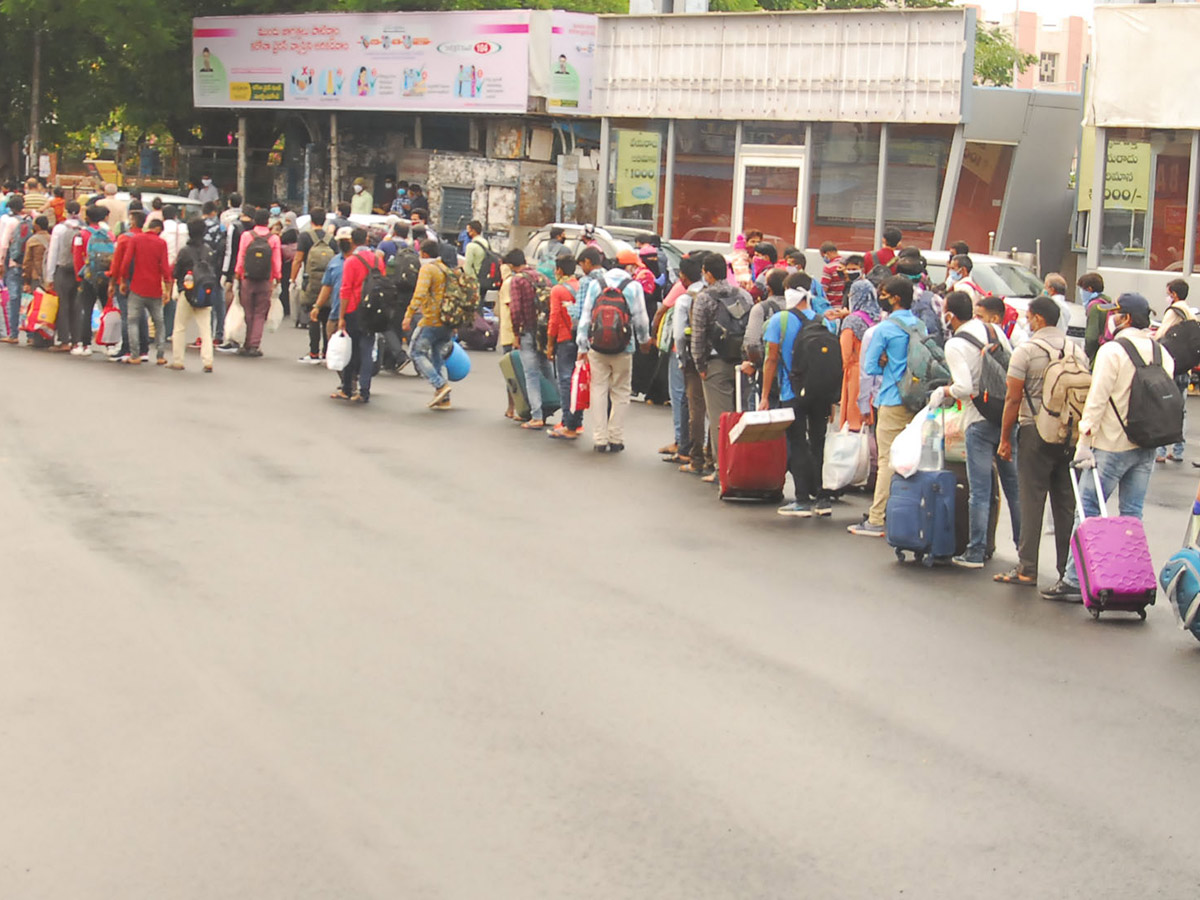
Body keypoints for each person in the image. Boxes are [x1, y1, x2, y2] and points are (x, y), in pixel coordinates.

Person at [1047, 293, 1175, 602]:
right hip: (1146, 444)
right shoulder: (1162, 352)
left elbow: (1097, 399)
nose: (1111, 318)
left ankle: (1075, 580)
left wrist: (1085, 441)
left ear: (1126, 318)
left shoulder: (1112, 351)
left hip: (1110, 444)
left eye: (1116, 314)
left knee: (1089, 511)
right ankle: (1129, 580)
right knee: (1132, 515)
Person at [994, 296, 1083, 587]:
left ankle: (1027, 567)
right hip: (1069, 433)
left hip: (1034, 431)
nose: (1027, 322)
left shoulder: (1027, 351)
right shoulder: (1076, 350)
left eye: (1029, 317)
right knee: (1065, 502)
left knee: (1032, 499)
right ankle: (1066, 571)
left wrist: (1005, 438)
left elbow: (1013, 397)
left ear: (1039, 319)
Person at [935, 290, 1019, 569]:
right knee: (1013, 488)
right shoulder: (993, 329)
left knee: (980, 491)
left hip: (978, 420)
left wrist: (943, 390)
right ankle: (1024, 550)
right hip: (1006, 416)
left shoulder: (955, 345)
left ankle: (975, 550)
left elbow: (964, 388)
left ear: (950, 315)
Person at [848, 276, 925, 537]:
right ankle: (906, 512)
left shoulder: (884, 329)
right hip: (916, 399)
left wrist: (883, 361)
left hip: (891, 398)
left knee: (887, 460)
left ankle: (877, 517)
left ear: (894, 298)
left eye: (884, 293)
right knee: (913, 459)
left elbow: (869, 368)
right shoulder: (920, 325)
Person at [760, 273, 835, 516]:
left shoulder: (780, 320)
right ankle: (822, 498)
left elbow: (771, 360)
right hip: (820, 392)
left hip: (791, 390)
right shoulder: (825, 321)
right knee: (818, 440)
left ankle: (802, 498)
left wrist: (764, 396)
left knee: (797, 442)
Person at [575, 247, 652, 453]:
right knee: (621, 391)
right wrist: (645, 341)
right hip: (624, 346)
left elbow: (586, 317)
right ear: (628, 266)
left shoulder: (595, 284)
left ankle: (600, 438)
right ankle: (616, 437)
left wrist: (582, 345)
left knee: (598, 388)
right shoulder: (633, 286)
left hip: (597, 346)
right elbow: (641, 319)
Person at [504, 249, 555, 429]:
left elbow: (515, 310)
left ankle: (537, 415)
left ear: (511, 265)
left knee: (531, 374)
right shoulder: (542, 277)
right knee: (548, 368)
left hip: (528, 330)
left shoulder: (517, 280)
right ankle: (561, 406)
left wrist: (516, 334)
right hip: (544, 330)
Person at [403, 238, 454, 409]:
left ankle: (439, 385)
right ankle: (444, 399)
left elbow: (419, 294)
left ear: (424, 254)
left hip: (431, 319)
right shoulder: (446, 269)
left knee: (415, 352)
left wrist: (408, 314)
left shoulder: (428, 269)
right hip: (447, 321)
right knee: (437, 355)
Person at [331, 227, 380, 403]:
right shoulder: (377, 260)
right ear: (366, 240)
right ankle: (364, 390)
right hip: (372, 310)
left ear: (352, 241)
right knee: (367, 349)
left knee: (351, 350)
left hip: (354, 308)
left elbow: (345, 289)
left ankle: (347, 388)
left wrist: (341, 316)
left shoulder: (351, 261)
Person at [117, 207, 172, 366]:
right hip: (155, 289)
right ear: (158, 230)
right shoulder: (161, 243)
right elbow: (165, 268)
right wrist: (167, 289)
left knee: (133, 321)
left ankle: (135, 355)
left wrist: (122, 281)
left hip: (137, 288)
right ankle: (160, 355)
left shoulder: (136, 239)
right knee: (159, 322)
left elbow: (126, 262)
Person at [168, 217, 216, 373]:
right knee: (205, 329)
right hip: (205, 292)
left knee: (180, 327)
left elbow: (176, 272)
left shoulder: (185, 251)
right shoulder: (208, 250)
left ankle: (178, 360)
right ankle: (208, 361)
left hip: (187, 292)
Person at [1154, 278, 1193, 464]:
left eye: (1168, 294)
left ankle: (1160, 451)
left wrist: (1150, 335)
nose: (1167, 297)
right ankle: (1178, 450)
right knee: (1180, 410)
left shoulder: (1174, 311)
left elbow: (1161, 334)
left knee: (1164, 406)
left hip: (1172, 367)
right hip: (1186, 368)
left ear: (1174, 295)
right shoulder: (1190, 313)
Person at [675, 254, 708, 473]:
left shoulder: (686, 298)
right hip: (717, 357)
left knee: (695, 407)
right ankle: (712, 453)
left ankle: (694, 456)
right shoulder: (711, 292)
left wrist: (681, 358)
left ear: (683, 277)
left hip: (693, 360)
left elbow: (679, 334)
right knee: (714, 409)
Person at [234, 207, 282, 357]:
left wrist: (238, 274)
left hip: (247, 278)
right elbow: (276, 261)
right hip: (265, 279)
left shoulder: (247, 236)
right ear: (268, 221)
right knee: (260, 312)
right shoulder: (274, 239)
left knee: (247, 311)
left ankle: (245, 343)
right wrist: (277, 277)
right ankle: (255, 345)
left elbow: (241, 256)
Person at [546, 254, 583, 440]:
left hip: (564, 338)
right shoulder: (582, 286)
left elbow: (553, 319)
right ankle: (578, 420)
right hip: (580, 339)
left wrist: (549, 344)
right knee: (579, 380)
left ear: (559, 270)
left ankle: (568, 422)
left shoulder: (558, 290)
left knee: (565, 381)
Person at [839, 277, 882, 431]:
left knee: (855, 421)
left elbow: (845, 355)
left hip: (856, 373)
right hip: (877, 371)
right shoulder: (879, 317)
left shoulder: (851, 321)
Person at [107, 207, 149, 363]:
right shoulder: (147, 238)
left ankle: (127, 348)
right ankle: (144, 349)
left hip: (125, 281)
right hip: (143, 281)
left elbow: (117, 263)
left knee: (127, 315)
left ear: (132, 221)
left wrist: (113, 282)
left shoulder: (124, 239)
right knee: (142, 314)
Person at [309, 226, 351, 365]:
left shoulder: (361, 260)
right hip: (336, 311)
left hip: (355, 313)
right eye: (341, 240)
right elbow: (327, 286)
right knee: (336, 347)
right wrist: (317, 306)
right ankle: (345, 380)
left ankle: (351, 379)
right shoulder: (334, 262)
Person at [1078, 272, 1112, 365]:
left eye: (1082, 289)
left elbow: (1091, 337)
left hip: (1097, 354)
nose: (1081, 292)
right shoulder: (1107, 302)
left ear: (1089, 289)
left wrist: (1087, 353)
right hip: (1108, 349)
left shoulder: (1094, 307)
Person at [21, 215, 50, 301]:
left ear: (37, 226)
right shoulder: (52, 238)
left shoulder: (32, 240)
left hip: (36, 276)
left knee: (37, 303)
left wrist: (26, 280)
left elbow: (27, 262)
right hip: (50, 277)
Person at [819, 242, 847, 309]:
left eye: (823, 256)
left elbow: (823, 290)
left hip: (833, 305)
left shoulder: (828, 267)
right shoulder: (847, 263)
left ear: (827, 253)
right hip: (846, 306)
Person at [464, 220, 491, 285]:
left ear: (473, 231)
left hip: (475, 278)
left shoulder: (471, 246)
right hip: (485, 276)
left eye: (468, 230)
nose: (467, 232)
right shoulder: (485, 242)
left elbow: (468, 267)